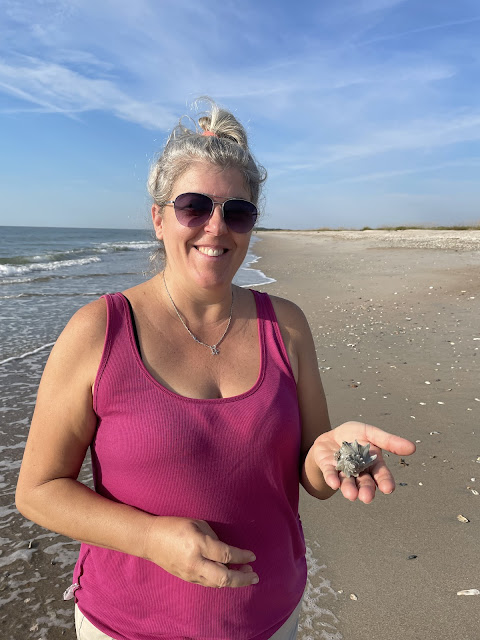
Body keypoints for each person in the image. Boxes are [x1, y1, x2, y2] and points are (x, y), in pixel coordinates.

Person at [16, 99, 415, 640]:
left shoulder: (287, 326)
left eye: (237, 212)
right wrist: (149, 538)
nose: (215, 227)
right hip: (128, 626)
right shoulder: (98, 330)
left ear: (251, 225)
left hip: (271, 617)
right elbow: (39, 488)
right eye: (193, 207)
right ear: (158, 219)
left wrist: (330, 459)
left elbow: (310, 474)